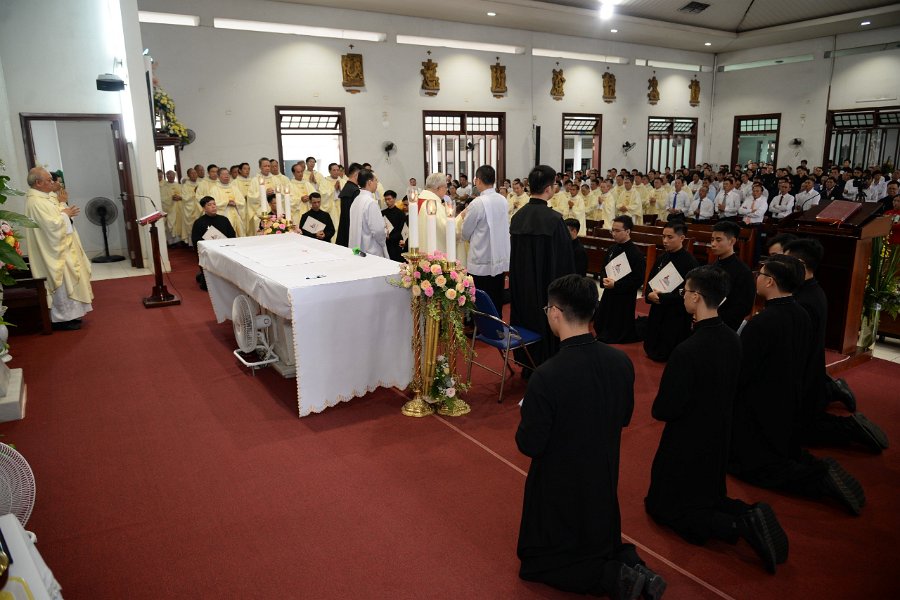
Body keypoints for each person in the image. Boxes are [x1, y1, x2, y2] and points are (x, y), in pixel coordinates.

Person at [517, 274, 666, 600]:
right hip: (603, 475)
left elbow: (530, 444)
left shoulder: (547, 375)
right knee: (600, 541)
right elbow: (624, 417)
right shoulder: (621, 362)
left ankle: (612, 577)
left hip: (560, 485)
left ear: (555, 312)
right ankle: (632, 566)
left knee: (538, 563)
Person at [645, 266, 788, 574]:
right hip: (720, 433)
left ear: (696, 297)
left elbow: (664, 409)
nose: (683, 297)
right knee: (709, 493)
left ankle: (737, 525)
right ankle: (747, 511)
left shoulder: (687, 350)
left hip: (687, 438)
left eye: (685, 292)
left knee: (665, 508)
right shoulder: (732, 338)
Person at [728, 255, 866, 515]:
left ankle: (818, 478)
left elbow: (743, 370)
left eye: (760, 274)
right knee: (782, 449)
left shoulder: (762, 322)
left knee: (751, 465)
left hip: (760, 404)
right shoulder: (801, 312)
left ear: (770, 281)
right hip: (790, 397)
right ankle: (815, 465)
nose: (757, 278)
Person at [784, 239, 888, 452]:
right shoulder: (811, 290)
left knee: (800, 431)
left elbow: (797, 347)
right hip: (811, 375)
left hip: (804, 378)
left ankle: (850, 427)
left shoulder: (804, 300)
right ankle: (833, 394)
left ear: (800, 264)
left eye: (784, 261)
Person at [509, 165, 576, 374]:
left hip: (522, 288)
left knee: (526, 319)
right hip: (548, 289)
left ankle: (527, 363)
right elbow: (565, 261)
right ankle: (547, 368)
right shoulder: (554, 220)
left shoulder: (518, 217)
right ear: (549, 188)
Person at [23, 167, 93, 330]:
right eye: (49, 180)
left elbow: (56, 217)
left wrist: (63, 209)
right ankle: (63, 318)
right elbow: (51, 226)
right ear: (38, 183)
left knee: (69, 280)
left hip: (61, 246)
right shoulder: (36, 202)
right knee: (62, 282)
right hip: (54, 251)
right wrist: (65, 214)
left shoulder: (45, 197)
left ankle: (72, 315)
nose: (53, 183)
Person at [643, 223, 698, 362]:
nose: (665, 241)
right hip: (657, 307)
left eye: (670, 237)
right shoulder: (662, 258)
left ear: (682, 238)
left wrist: (663, 298)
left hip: (676, 312)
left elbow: (688, 292)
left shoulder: (690, 262)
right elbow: (650, 281)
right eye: (663, 236)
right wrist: (649, 294)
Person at [460, 165, 510, 312]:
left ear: (478, 180)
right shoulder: (502, 200)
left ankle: (482, 325)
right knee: (496, 298)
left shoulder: (477, 203)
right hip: (498, 259)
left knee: (480, 302)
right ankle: (497, 323)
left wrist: (462, 218)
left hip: (481, 259)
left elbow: (465, 232)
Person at [593, 216, 644, 344]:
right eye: (612, 230)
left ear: (627, 231)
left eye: (617, 231)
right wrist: (604, 279)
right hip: (609, 293)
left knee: (619, 323)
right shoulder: (612, 249)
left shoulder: (636, 253)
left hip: (624, 296)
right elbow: (604, 268)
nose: (614, 234)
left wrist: (616, 285)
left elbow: (638, 280)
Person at [710, 221, 754, 331]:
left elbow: (743, 307)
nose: (713, 244)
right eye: (712, 239)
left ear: (732, 241)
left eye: (718, 240)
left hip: (723, 326)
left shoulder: (743, 271)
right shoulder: (713, 265)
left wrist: (715, 320)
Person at [348, 168, 387, 258]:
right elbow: (378, 231)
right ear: (369, 182)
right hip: (370, 250)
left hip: (356, 250)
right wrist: (384, 236)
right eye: (376, 180)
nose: (377, 183)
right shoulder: (371, 202)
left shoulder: (356, 200)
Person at [336, 162, 361, 247]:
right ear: (356, 174)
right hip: (352, 229)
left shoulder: (347, 187)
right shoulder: (355, 190)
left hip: (345, 227)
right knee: (355, 252)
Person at [382, 190, 407, 262]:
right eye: (386, 199)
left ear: (394, 199)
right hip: (385, 243)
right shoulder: (383, 213)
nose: (387, 201)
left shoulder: (400, 214)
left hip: (396, 245)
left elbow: (401, 229)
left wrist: (391, 237)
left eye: (389, 199)